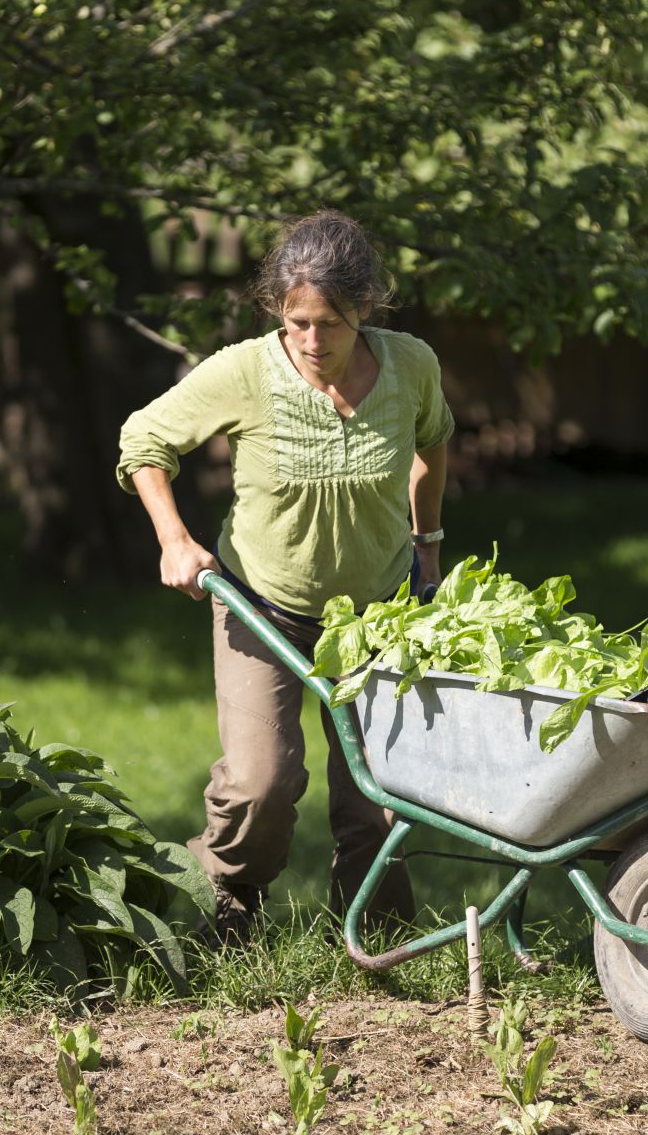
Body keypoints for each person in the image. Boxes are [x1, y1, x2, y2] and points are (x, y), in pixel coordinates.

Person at [115, 210, 454, 946]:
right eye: (296, 321)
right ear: (277, 310)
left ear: (364, 305)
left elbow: (433, 445)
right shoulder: (246, 371)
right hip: (263, 608)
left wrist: (427, 546)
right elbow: (144, 439)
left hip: (378, 613)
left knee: (382, 797)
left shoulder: (410, 367)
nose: (310, 341)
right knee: (261, 783)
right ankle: (231, 908)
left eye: (328, 323)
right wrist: (175, 540)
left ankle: (380, 940)